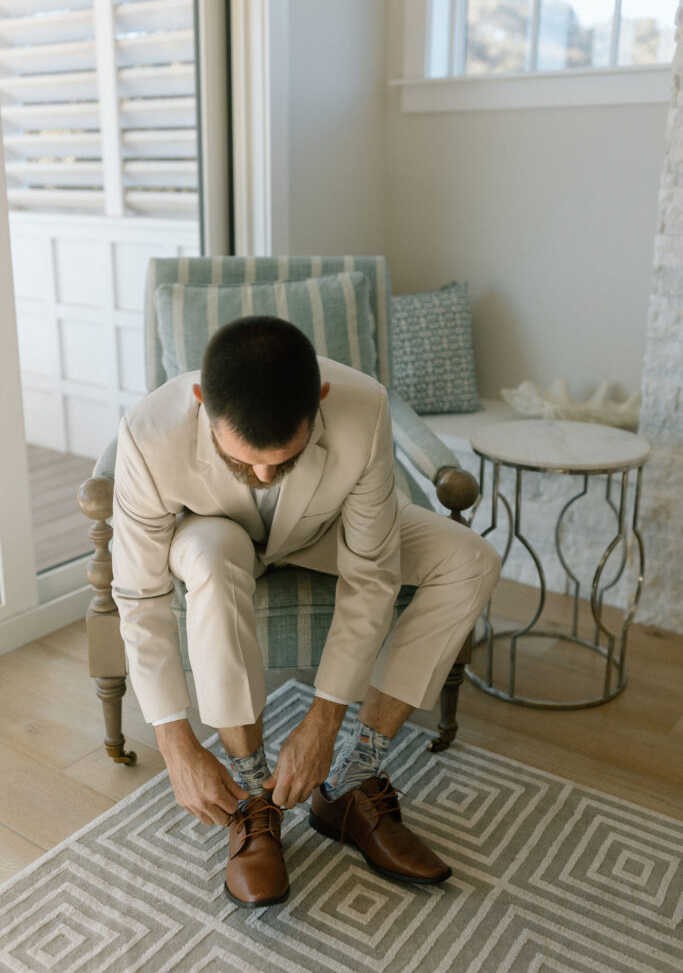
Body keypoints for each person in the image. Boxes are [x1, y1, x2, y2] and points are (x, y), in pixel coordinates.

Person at [112, 316, 500, 908]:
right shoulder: (147, 433)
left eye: (282, 458)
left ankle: (349, 781)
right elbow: (140, 595)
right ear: (200, 403)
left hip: (324, 528)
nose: (264, 477)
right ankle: (253, 799)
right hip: (214, 536)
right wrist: (175, 743)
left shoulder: (363, 407)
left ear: (319, 400)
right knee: (212, 566)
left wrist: (324, 721)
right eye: (246, 462)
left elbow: (371, 573)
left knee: (470, 559)